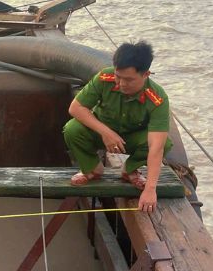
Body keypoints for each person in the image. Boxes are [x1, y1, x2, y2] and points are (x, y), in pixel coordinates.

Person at [63, 41, 172, 213]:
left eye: (128, 79)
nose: (121, 83)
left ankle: (129, 170)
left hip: (131, 139)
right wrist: (105, 132)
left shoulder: (157, 98)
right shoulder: (104, 78)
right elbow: (75, 108)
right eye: (118, 76)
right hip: (100, 133)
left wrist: (150, 190)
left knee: (165, 144)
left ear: (146, 75)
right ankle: (91, 169)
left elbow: (156, 147)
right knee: (72, 129)